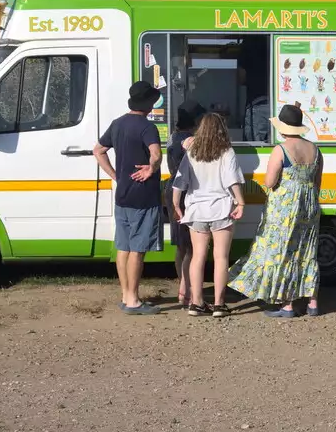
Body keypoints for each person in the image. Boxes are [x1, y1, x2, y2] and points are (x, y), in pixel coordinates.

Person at [230, 105, 323, 318]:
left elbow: (270, 181)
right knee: (306, 251)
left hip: (285, 207)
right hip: (309, 204)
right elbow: (316, 183)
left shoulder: (281, 150)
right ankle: (313, 302)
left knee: (284, 251)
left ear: (283, 128)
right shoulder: (315, 149)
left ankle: (287, 304)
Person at [93, 81, 163, 314]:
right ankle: (134, 300)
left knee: (123, 247)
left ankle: (125, 295)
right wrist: (151, 169)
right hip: (143, 196)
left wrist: (116, 175)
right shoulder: (147, 127)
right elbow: (156, 153)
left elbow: (98, 150)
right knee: (137, 250)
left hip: (122, 195)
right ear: (149, 104)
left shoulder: (117, 124)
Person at [173, 112, 246, 317]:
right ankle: (219, 305)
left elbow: (180, 180)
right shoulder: (226, 151)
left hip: (196, 210)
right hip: (221, 208)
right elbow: (232, 181)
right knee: (221, 257)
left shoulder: (192, 151)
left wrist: (176, 203)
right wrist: (240, 202)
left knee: (198, 256)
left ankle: (196, 303)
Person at [167, 106, 198, 308]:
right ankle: (186, 290)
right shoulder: (191, 140)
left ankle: (182, 285)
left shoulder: (172, 136)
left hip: (172, 189)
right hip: (186, 190)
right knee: (191, 246)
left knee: (181, 245)